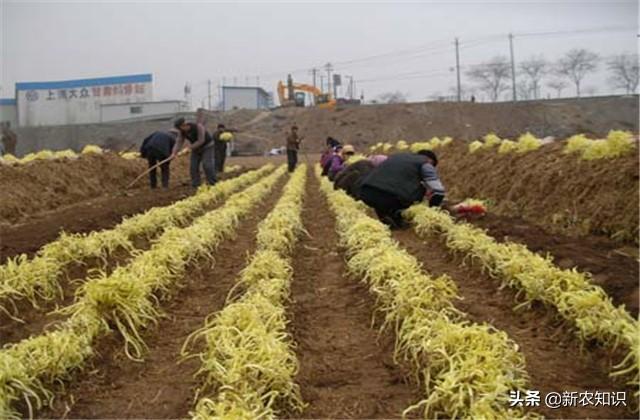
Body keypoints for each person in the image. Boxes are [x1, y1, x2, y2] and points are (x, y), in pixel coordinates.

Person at [359, 150, 445, 229]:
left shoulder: (396, 157)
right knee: (421, 190)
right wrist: (433, 210)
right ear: (430, 161)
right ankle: (398, 215)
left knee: (383, 197)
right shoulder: (425, 163)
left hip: (366, 191)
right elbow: (438, 191)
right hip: (389, 197)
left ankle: (390, 217)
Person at [171, 117, 216, 188]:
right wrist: (174, 153)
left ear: (184, 125)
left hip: (207, 147)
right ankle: (196, 185)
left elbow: (201, 140)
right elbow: (179, 142)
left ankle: (212, 183)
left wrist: (189, 148)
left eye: (180, 128)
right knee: (193, 167)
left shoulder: (198, 127)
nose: (180, 130)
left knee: (207, 165)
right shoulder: (181, 132)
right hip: (196, 149)